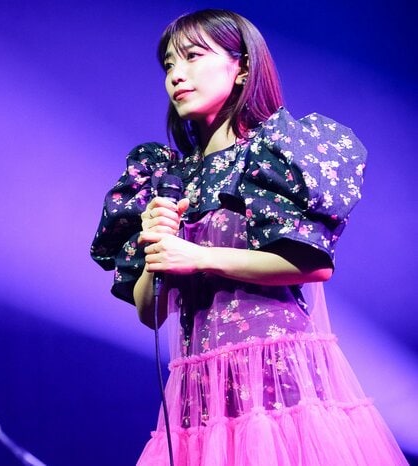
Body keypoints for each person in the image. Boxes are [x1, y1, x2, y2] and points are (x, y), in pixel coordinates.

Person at [90, 8, 408, 466]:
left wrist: (198, 256)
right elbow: (150, 313)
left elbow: (312, 264)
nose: (176, 75)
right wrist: (154, 238)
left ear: (241, 68)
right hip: (200, 390)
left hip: (277, 376)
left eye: (193, 57)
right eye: (169, 64)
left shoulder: (269, 154)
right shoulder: (168, 175)